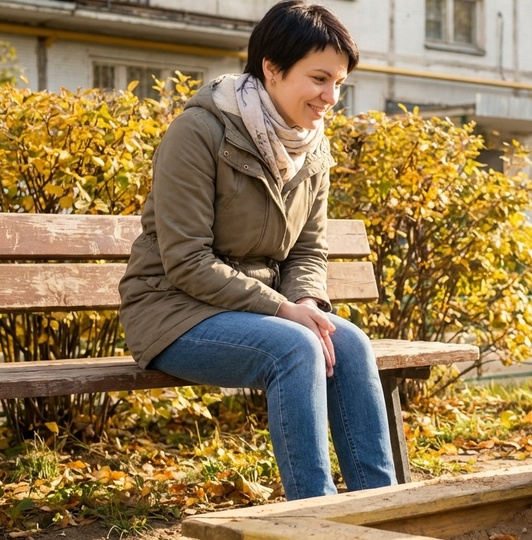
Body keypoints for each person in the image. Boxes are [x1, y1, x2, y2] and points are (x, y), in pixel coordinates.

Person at [118, 0, 397, 500]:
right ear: (271, 68)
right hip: (171, 311)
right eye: (319, 79)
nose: (330, 96)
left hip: (255, 311)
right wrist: (282, 309)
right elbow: (186, 260)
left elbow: (309, 248)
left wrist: (307, 303)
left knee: (349, 343)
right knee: (296, 346)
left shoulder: (312, 147)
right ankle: (315, 520)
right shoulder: (198, 132)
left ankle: (385, 510)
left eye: (339, 83)